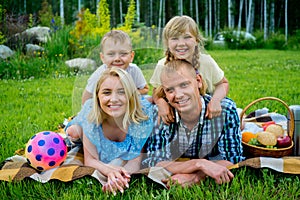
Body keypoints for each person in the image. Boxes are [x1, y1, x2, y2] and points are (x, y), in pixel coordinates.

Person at [143, 60, 244, 188]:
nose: (178, 95)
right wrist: (199, 164)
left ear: (198, 81)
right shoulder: (161, 114)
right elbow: (156, 161)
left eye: (184, 85)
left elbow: (232, 158)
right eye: (170, 90)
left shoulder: (225, 110)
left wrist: (197, 176)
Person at [65, 67, 153, 195]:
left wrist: (121, 177)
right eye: (106, 92)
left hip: (134, 108)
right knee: (73, 132)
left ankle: (142, 98)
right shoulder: (90, 120)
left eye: (121, 92)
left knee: (148, 101)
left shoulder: (140, 121)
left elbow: (135, 161)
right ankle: (72, 122)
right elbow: (90, 160)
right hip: (90, 118)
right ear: (97, 96)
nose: (114, 99)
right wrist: (109, 171)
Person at [150, 15, 229, 124]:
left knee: (238, 121)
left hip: (206, 112)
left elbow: (223, 84)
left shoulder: (206, 62)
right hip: (177, 111)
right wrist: (161, 103)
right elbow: (156, 91)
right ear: (167, 43)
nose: (181, 43)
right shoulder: (162, 65)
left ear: (196, 40)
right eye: (174, 38)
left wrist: (215, 101)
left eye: (187, 37)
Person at [82, 30, 149, 105]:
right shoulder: (98, 75)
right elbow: (87, 97)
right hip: (106, 107)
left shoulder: (133, 70)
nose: (117, 58)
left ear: (131, 56)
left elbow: (145, 89)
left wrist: (131, 93)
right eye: (111, 54)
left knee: (148, 100)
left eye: (123, 54)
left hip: (129, 104)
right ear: (103, 58)